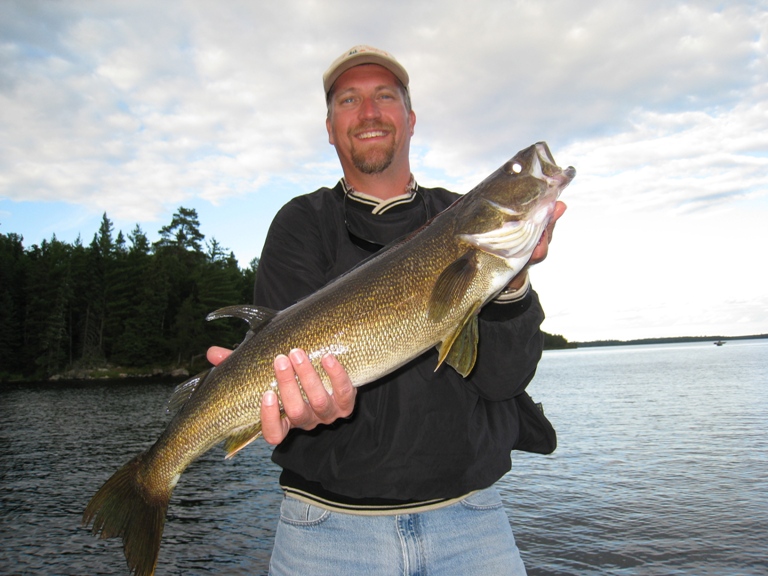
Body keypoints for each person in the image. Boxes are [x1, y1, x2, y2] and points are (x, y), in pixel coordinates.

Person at [208, 45, 566, 575]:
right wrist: (306, 408)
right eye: (349, 99)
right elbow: (283, 371)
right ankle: (151, 479)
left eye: (385, 96)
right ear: (330, 127)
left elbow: (503, 380)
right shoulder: (301, 223)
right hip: (325, 535)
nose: (369, 112)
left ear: (410, 118)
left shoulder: (458, 218)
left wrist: (512, 281)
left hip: (471, 525)